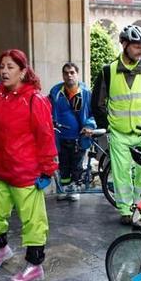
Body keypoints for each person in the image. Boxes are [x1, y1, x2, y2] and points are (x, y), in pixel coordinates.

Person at [0, 49, 57, 281]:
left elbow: (45, 137)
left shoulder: (36, 100)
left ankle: (34, 266)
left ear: (23, 71)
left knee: (34, 223)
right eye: (2, 66)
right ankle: (2, 250)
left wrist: (47, 169)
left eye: (10, 67)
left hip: (26, 174)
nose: (4, 71)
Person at [91, 24, 141, 225]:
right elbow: (97, 102)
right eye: (136, 46)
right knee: (121, 175)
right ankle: (125, 210)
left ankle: (140, 211)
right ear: (124, 44)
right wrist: (106, 126)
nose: (140, 50)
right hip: (119, 133)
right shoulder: (108, 71)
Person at [49, 62, 95, 201]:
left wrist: (89, 126)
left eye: (72, 72)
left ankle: (74, 188)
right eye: (66, 73)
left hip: (79, 137)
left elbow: (93, 113)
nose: (69, 76)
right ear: (63, 75)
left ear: (77, 74)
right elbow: (47, 110)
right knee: (63, 165)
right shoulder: (55, 92)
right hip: (60, 136)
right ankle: (63, 189)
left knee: (76, 165)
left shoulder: (86, 93)